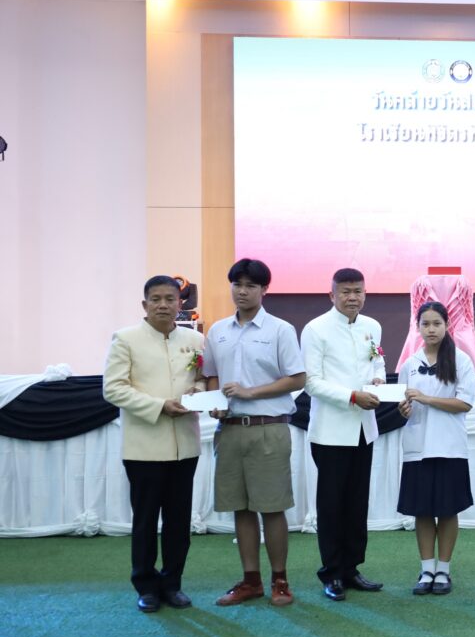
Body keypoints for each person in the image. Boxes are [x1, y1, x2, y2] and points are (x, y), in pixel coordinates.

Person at [202, 259, 306, 607]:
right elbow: (211, 376)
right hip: (229, 430)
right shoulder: (217, 331)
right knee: (240, 508)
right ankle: (250, 581)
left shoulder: (280, 330)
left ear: (264, 290)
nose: (242, 291)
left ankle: (280, 580)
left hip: (268, 429)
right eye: (237, 284)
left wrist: (251, 393)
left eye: (250, 285)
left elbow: (297, 378)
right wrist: (216, 402)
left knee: (272, 508)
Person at [102, 275, 206, 613]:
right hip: (143, 447)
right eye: (156, 299)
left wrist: (198, 393)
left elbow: (203, 380)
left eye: (170, 299)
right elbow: (113, 388)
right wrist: (160, 405)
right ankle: (145, 586)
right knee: (145, 521)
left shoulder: (195, 339)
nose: (163, 305)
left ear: (180, 303)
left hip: (185, 446)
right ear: (144, 304)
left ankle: (172, 584)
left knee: (179, 521)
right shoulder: (126, 339)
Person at [301, 268, 386, 602]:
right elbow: (311, 382)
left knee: (356, 502)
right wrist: (352, 396)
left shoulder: (372, 326)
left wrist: (378, 380)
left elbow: (377, 363)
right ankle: (332, 572)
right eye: (346, 292)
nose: (353, 297)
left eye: (358, 291)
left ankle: (351, 568)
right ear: (332, 294)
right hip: (331, 431)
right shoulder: (315, 329)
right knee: (332, 504)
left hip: (364, 429)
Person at [397, 302, 475, 596]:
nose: (431, 329)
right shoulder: (409, 363)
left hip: (449, 447)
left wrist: (426, 399)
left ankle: (443, 570)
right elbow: (403, 404)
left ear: (447, 325)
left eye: (436, 323)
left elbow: (464, 403)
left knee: (447, 509)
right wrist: (404, 410)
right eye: (425, 324)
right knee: (421, 511)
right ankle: (426, 569)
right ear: (417, 327)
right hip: (417, 448)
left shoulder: (461, 361)